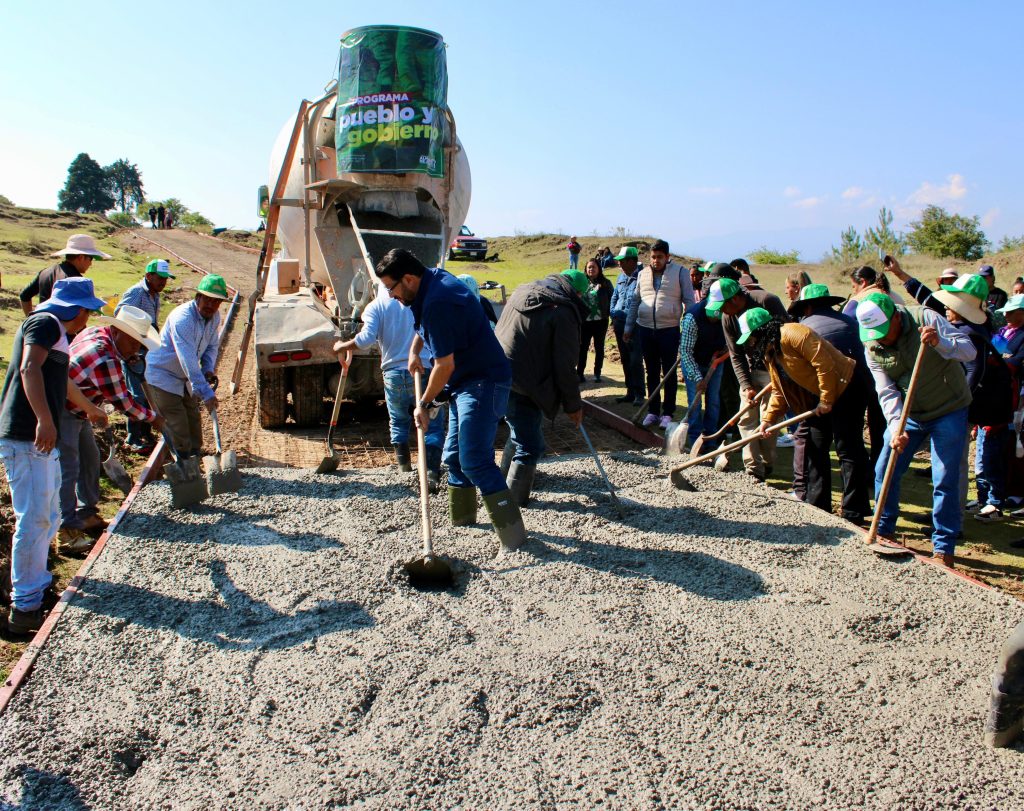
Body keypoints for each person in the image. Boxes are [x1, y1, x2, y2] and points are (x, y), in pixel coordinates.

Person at [375, 249, 525, 551]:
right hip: (464, 382)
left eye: (391, 288)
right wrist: (415, 351)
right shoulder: (429, 281)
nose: (390, 295)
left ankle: (514, 538)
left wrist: (424, 403)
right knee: (454, 457)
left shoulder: (439, 301)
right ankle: (464, 522)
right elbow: (424, 327)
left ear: (408, 279)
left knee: (474, 460)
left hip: (483, 382)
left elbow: (444, 365)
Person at [0, 278, 109, 634]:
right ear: (75, 310)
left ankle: (39, 587)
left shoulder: (56, 333)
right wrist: (45, 420)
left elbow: (62, 383)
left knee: (48, 515)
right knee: (34, 519)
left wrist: (90, 408)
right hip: (25, 436)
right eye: (88, 312)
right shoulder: (45, 322)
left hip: (37, 439)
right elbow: (28, 368)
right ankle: (25, 608)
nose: (88, 319)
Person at [855, 291, 976, 567]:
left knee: (944, 477)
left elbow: (969, 351)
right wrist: (896, 426)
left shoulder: (926, 318)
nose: (881, 339)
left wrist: (940, 342)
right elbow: (886, 390)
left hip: (949, 407)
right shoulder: (871, 344)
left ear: (896, 317)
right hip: (909, 413)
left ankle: (943, 547)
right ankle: (884, 530)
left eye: (884, 331)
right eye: (875, 334)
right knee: (885, 467)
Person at [59, 307, 165, 555]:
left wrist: (127, 357)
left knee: (90, 458)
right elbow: (124, 403)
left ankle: (86, 514)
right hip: (62, 410)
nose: (135, 350)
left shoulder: (98, 333)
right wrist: (154, 419)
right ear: (116, 331)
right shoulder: (105, 358)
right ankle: (65, 532)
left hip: (81, 409)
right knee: (68, 469)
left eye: (139, 345)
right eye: (132, 343)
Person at [333, 283, 447, 489]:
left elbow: (366, 340)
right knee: (432, 424)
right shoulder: (419, 302)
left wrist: (343, 345)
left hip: (394, 374)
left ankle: (405, 470)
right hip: (426, 370)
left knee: (399, 422)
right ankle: (431, 473)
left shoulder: (376, 306)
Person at [496, 269, 587, 506]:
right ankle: (512, 504)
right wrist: (573, 405)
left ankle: (504, 479)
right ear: (577, 293)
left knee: (520, 430)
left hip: (498, 370)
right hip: (524, 381)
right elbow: (565, 366)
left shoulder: (523, 290)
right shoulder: (563, 311)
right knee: (530, 445)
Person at [787, 285, 875, 522]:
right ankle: (855, 510)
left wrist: (824, 400)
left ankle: (819, 505)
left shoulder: (805, 329)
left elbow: (818, 369)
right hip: (859, 386)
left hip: (830, 388)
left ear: (807, 307)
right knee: (850, 447)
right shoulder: (850, 322)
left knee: (817, 444)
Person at [933, 274, 1013, 523]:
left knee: (957, 461)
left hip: (970, 407)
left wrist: (958, 401)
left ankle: (952, 516)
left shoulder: (971, 333)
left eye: (951, 302)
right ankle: (953, 512)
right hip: (973, 405)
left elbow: (974, 370)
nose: (946, 307)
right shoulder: (972, 328)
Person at [706, 277, 789, 481]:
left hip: (773, 370)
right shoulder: (728, 317)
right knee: (745, 420)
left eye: (722, 305)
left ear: (734, 299)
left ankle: (767, 463)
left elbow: (788, 339)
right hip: (751, 369)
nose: (721, 311)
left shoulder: (767, 301)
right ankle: (754, 468)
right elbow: (736, 355)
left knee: (769, 420)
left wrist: (779, 373)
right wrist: (746, 385)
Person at [144, 275, 230, 458]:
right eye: (207, 299)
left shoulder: (214, 318)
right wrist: (206, 392)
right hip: (163, 375)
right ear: (198, 296)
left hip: (185, 377)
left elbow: (212, 346)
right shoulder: (183, 319)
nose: (211, 305)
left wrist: (208, 369)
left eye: (216, 301)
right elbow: (187, 359)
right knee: (178, 424)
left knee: (193, 418)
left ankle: (196, 456)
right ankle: (184, 462)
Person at [624, 239, 695, 429]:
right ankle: (653, 411)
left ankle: (668, 413)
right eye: (653, 257)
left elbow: (689, 301)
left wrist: (689, 329)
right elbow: (635, 301)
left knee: (669, 372)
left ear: (667, 257)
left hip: (669, 329)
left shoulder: (680, 272)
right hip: (645, 329)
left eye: (660, 257)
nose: (656, 261)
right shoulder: (642, 274)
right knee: (652, 372)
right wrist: (628, 327)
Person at [117, 259, 175, 452]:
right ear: (148, 276)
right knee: (137, 395)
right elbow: (120, 316)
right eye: (160, 278)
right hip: (132, 350)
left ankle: (146, 432)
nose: (163, 282)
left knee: (148, 392)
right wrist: (129, 349)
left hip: (146, 349)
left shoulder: (154, 295)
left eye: (165, 279)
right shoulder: (136, 293)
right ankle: (132, 437)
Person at [679, 266, 730, 449]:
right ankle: (695, 440)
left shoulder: (727, 314)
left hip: (715, 362)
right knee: (694, 402)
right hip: (694, 361)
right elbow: (685, 352)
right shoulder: (692, 317)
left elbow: (732, 342)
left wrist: (724, 352)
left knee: (713, 402)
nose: (715, 318)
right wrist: (697, 377)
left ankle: (710, 439)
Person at [19, 234, 111, 316]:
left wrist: (30, 319)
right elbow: (79, 313)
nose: (90, 264)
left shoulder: (45, 272)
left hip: (42, 324)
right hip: (63, 328)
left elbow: (24, 295)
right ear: (81, 257)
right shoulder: (75, 281)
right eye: (90, 259)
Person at [608, 246, 645, 405]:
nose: (619, 264)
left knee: (635, 360)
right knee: (625, 358)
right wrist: (613, 313)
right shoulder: (621, 277)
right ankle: (630, 391)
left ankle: (639, 393)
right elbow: (615, 296)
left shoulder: (642, 277)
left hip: (636, 325)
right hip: (619, 322)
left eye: (622, 261)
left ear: (631, 261)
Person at [577, 258, 613, 383]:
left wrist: (611, 315)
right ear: (586, 269)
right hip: (585, 322)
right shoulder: (581, 283)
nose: (591, 269)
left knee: (599, 347)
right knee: (583, 348)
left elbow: (612, 299)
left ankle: (597, 373)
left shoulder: (606, 283)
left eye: (594, 267)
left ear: (599, 269)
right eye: (589, 267)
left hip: (601, 321)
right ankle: (579, 373)